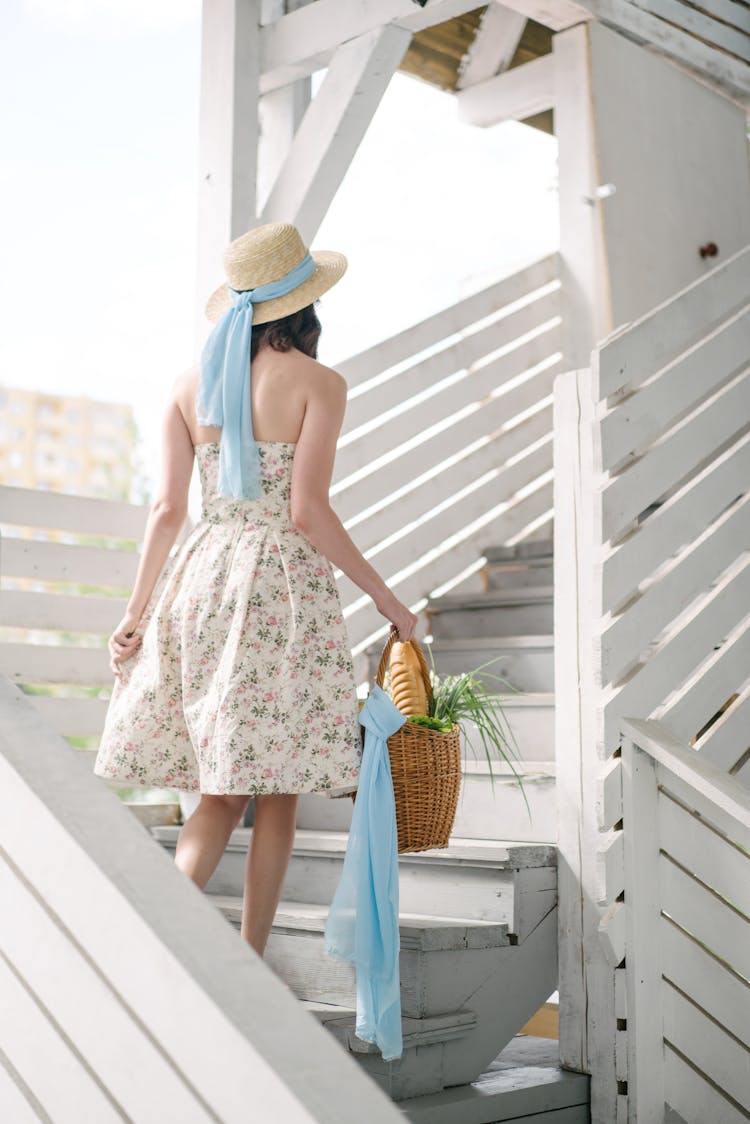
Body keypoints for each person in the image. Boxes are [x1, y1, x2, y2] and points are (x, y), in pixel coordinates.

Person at [93, 222, 418, 959]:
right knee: (278, 787)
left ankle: (159, 944)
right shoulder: (320, 384)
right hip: (279, 588)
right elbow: (307, 510)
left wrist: (135, 613)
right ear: (306, 307)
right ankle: (248, 960)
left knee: (219, 789)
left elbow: (167, 510)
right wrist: (389, 602)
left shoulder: (188, 387)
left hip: (202, 580)